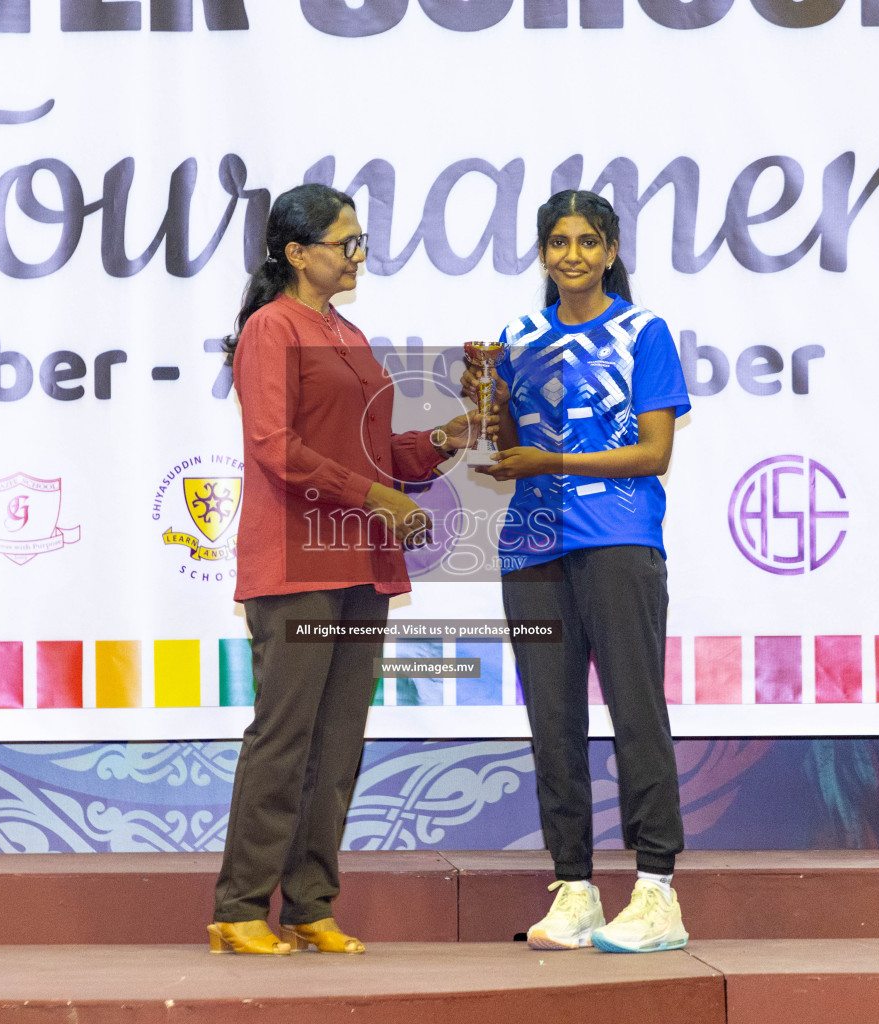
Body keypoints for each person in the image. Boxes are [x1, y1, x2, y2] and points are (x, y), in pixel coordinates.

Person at [210, 184, 476, 955]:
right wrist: (378, 495)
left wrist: (441, 443)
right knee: (285, 739)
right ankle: (238, 907)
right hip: (297, 564)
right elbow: (273, 447)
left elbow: (373, 449)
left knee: (338, 748)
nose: (358, 254)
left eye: (360, 241)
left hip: (359, 562)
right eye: (345, 241)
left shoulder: (349, 335)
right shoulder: (271, 328)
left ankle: (311, 904)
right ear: (297, 254)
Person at [465, 189, 691, 953]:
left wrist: (551, 458)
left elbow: (655, 453)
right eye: (557, 241)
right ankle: (575, 888)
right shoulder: (518, 336)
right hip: (532, 546)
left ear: (611, 250)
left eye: (587, 241)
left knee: (635, 713)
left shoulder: (642, 331)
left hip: (620, 541)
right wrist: (483, 401)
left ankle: (657, 890)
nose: (572, 255)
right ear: (541, 253)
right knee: (552, 724)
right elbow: (502, 441)